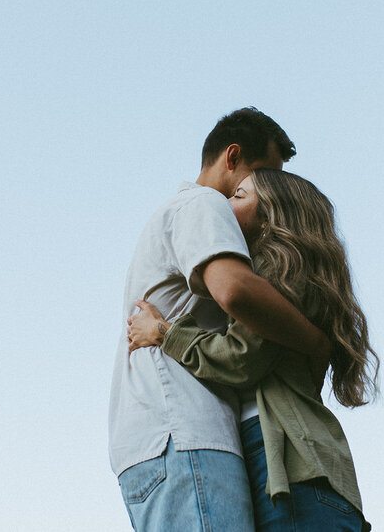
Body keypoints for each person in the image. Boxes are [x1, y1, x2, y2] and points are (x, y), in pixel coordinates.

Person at [109, 109, 332, 532]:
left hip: (160, 438)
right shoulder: (205, 203)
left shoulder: (176, 213)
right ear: (232, 158)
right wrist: (315, 341)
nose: (270, 191)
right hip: (188, 433)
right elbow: (236, 290)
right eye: (261, 175)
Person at [127, 169, 378, 531]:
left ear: (271, 217)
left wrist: (165, 332)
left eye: (240, 196)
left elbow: (242, 357)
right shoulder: (301, 277)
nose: (225, 203)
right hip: (307, 469)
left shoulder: (280, 271)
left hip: (289, 467)